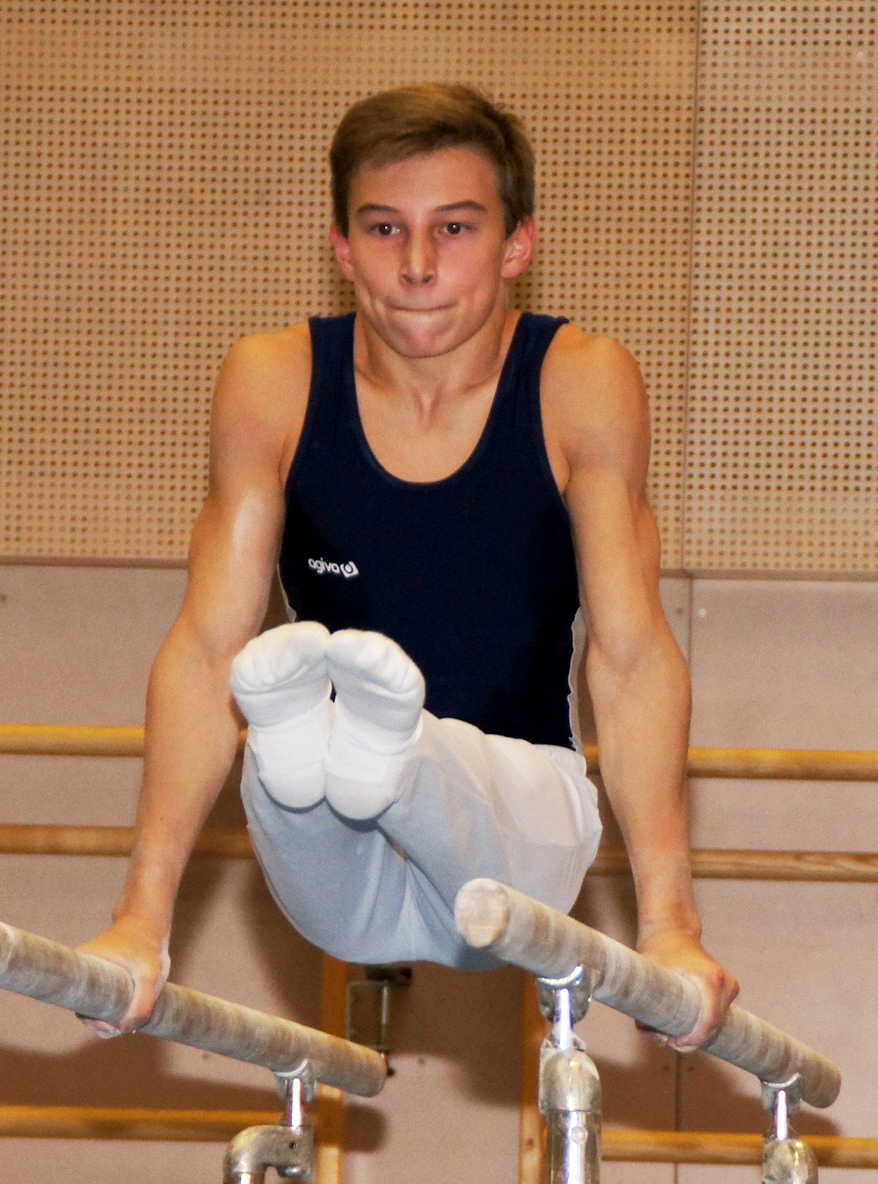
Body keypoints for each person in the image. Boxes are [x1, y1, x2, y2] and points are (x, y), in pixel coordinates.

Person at [78, 83, 738, 1050]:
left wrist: (669, 926)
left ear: (517, 244)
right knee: (287, 770)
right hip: (338, 880)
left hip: (520, 826)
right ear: (342, 248)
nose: (418, 265)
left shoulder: (578, 383)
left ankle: (380, 737)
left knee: (388, 755)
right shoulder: (273, 382)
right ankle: (324, 733)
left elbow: (630, 657)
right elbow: (207, 648)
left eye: (454, 229)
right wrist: (140, 923)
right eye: (385, 229)